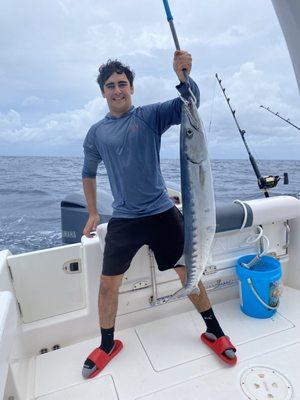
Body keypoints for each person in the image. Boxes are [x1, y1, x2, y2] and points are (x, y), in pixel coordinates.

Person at [81, 51, 237, 379]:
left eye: (122, 83)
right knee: (108, 285)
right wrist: (93, 212)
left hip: (161, 212)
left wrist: (183, 75)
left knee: (188, 272)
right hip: (124, 219)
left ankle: (215, 332)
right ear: (103, 92)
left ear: (132, 88)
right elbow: (88, 173)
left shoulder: (149, 116)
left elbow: (189, 102)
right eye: (110, 86)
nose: (117, 90)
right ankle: (107, 344)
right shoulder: (96, 133)